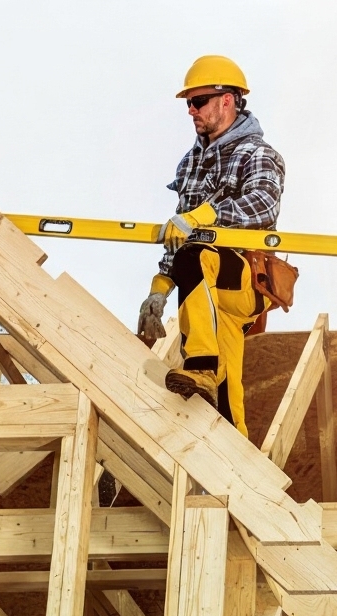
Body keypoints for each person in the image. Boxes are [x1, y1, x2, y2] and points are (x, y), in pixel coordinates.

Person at [137, 55, 284, 438]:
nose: (191, 110)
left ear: (228, 100)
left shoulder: (259, 154)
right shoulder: (189, 165)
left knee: (197, 252)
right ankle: (241, 462)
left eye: (198, 101)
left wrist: (204, 216)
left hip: (244, 280)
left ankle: (201, 363)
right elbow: (178, 233)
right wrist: (159, 289)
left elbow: (263, 204)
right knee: (225, 401)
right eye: (188, 103)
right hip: (205, 292)